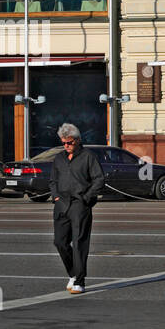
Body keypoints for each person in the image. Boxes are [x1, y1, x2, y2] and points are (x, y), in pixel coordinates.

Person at [49, 123, 105, 293]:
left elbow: (99, 179)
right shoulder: (59, 158)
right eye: (63, 142)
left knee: (80, 243)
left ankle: (79, 281)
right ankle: (73, 273)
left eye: (69, 142)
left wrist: (87, 197)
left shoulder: (88, 156)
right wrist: (56, 197)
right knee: (60, 242)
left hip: (80, 204)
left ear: (78, 140)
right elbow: (53, 181)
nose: (66, 146)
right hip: (61, 205)